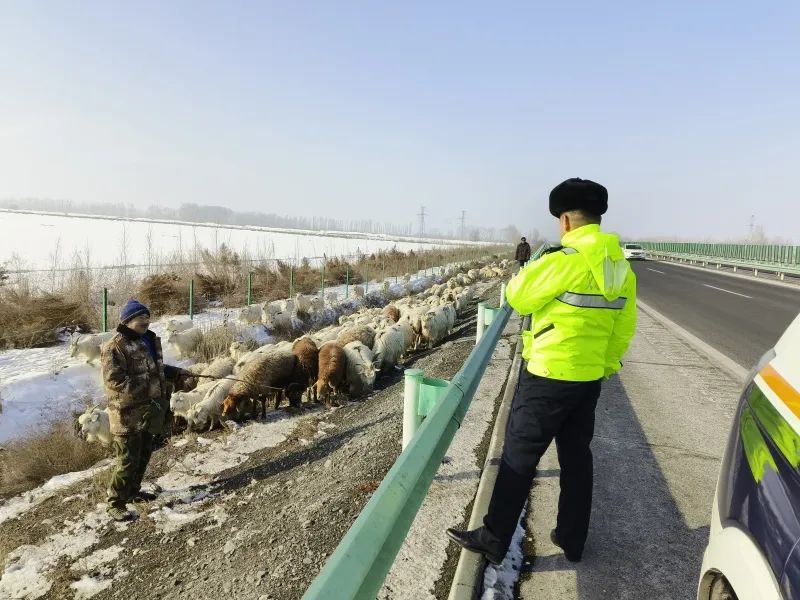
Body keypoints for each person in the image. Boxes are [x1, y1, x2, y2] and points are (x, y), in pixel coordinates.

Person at [447, 178, 637, 564]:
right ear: (597, 219)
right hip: (588, 380)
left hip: (547, 376)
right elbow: (623, 328)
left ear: (565, 221)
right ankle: (572, 538)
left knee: (519, 455)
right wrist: (602, 366)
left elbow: (517, 296)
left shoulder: (563, 261)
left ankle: (494, 537)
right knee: (577, 458)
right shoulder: (621, 270)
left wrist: (534, 266)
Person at [100, 299, 185, 522]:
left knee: (144, 453)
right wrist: (149, 388)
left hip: (149, 411)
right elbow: (114, 380)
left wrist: (174, 372)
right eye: (140, 319)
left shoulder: (147, 339)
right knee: (127, 460)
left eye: (147, 318)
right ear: (127, 321)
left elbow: (153, 368)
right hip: (127, 415)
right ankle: (115, 503)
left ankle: (133, 492)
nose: (146, 322)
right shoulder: (114, 347)